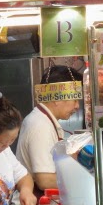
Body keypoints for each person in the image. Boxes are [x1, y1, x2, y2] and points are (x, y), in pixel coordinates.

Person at [16, 65, 82, 194]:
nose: (77, 106)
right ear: (57, 97)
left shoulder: (45, 120)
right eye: (75, 99)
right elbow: (45, 181)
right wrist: (85, 180)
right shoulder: (40, 125)